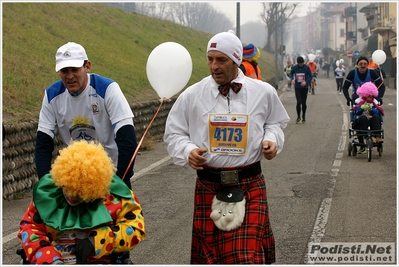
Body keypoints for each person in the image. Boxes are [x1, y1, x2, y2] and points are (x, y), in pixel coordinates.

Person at [163, 30, 290, 264]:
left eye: (221, 60)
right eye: (210, 59)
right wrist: (187, 151)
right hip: (209, 186)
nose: (214, 66)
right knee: (209, 258)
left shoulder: (263, 92)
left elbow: (275, 123)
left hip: (249, 186)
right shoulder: (192, 95)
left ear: (237, 60)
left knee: (244, 258)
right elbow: (174, 133)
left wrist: (272, 141)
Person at [17, 140, 146, 264]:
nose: (71, 197)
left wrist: (96, 241)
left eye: (79, 194)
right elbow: (30, 229)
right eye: (66, 188)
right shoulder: (47, 197)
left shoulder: (115, 198)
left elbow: (135, 228)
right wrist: (50, 260)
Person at [35, 42, 137, 189]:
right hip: (75, 179)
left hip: (112, 175)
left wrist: (120, 180)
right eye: (64, 71)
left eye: (75, 69)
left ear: (87, 66)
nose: (70, 76)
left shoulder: (108, 88)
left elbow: (127, 139)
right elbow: (43, 144)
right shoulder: (51, 95)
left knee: (129, 213)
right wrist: (44, 185)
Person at [352, 82, 384, 153]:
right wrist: (361, 108)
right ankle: (366, 137)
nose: (370, 97)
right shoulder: (359, 101)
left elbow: (378, 112)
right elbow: (355, 111)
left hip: (372, 120)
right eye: (368, 95)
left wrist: (372, 110)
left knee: (376, 116)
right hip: (361, 121)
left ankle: (377, 136)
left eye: (371, 95)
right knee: (363, 117)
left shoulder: (375, 102)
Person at [290, 56, 313, 124]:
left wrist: (306, 82)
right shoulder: (295, 67)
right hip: (297, 87)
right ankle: (298, 117)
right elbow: (291, 73)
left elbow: (310, 76)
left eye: (301, 63)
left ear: (303, 62)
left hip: (304, 87)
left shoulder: (306, 67)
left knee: (303, 102)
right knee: (298, 102)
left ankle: (303, 116)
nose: (300, 65)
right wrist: (292, 79)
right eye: (299, 64)